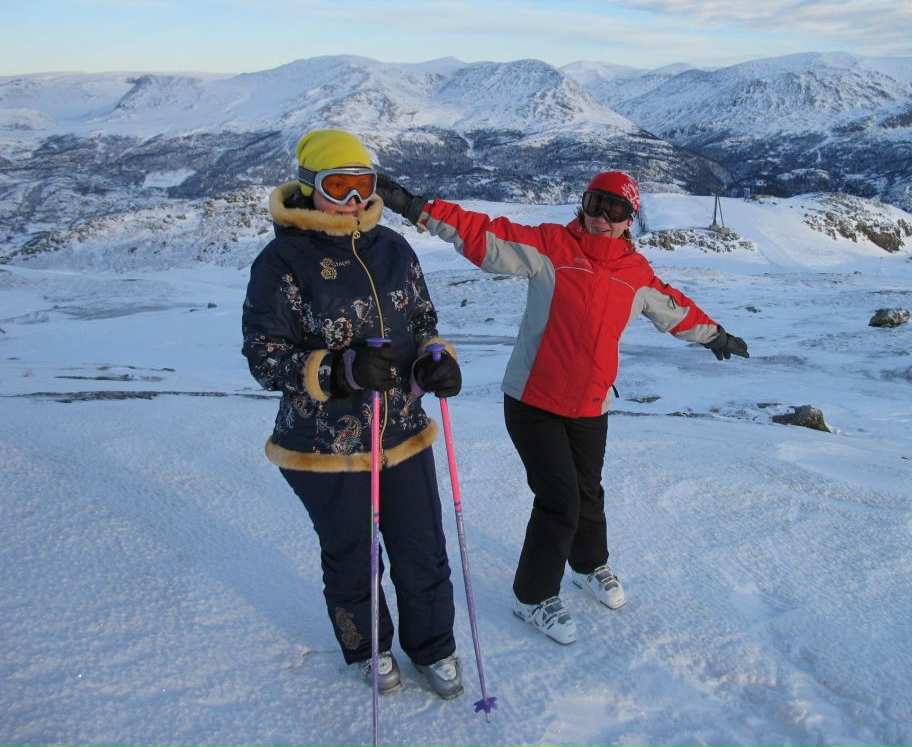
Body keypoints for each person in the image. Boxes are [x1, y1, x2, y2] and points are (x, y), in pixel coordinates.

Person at [376, 170, 749, 645]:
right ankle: (532, 596)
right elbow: (483, 233)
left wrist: (716, 335)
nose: (602, 218)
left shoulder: (636, 275)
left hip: (591, 405)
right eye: (595, 204)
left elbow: (675, 310)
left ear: (630, 219)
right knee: (560, 501)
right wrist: (414, 206)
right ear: (583, 205)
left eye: (616, 211)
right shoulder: (552, 247)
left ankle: (590, 565)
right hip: (533, 400)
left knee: (588, 491)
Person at [241, 129, 467, 699]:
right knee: (352, 556)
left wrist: (436, 363)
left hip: (401, 432)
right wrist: (336, 372)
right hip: (325, 446)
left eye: (360, 185)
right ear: (309, 186)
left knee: (422, 546)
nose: (349, 200)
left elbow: (422, 325)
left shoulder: (393, 248)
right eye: (335, 186)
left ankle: (434, 646)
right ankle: (368, 647)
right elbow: (265, 358)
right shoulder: (282, 261)